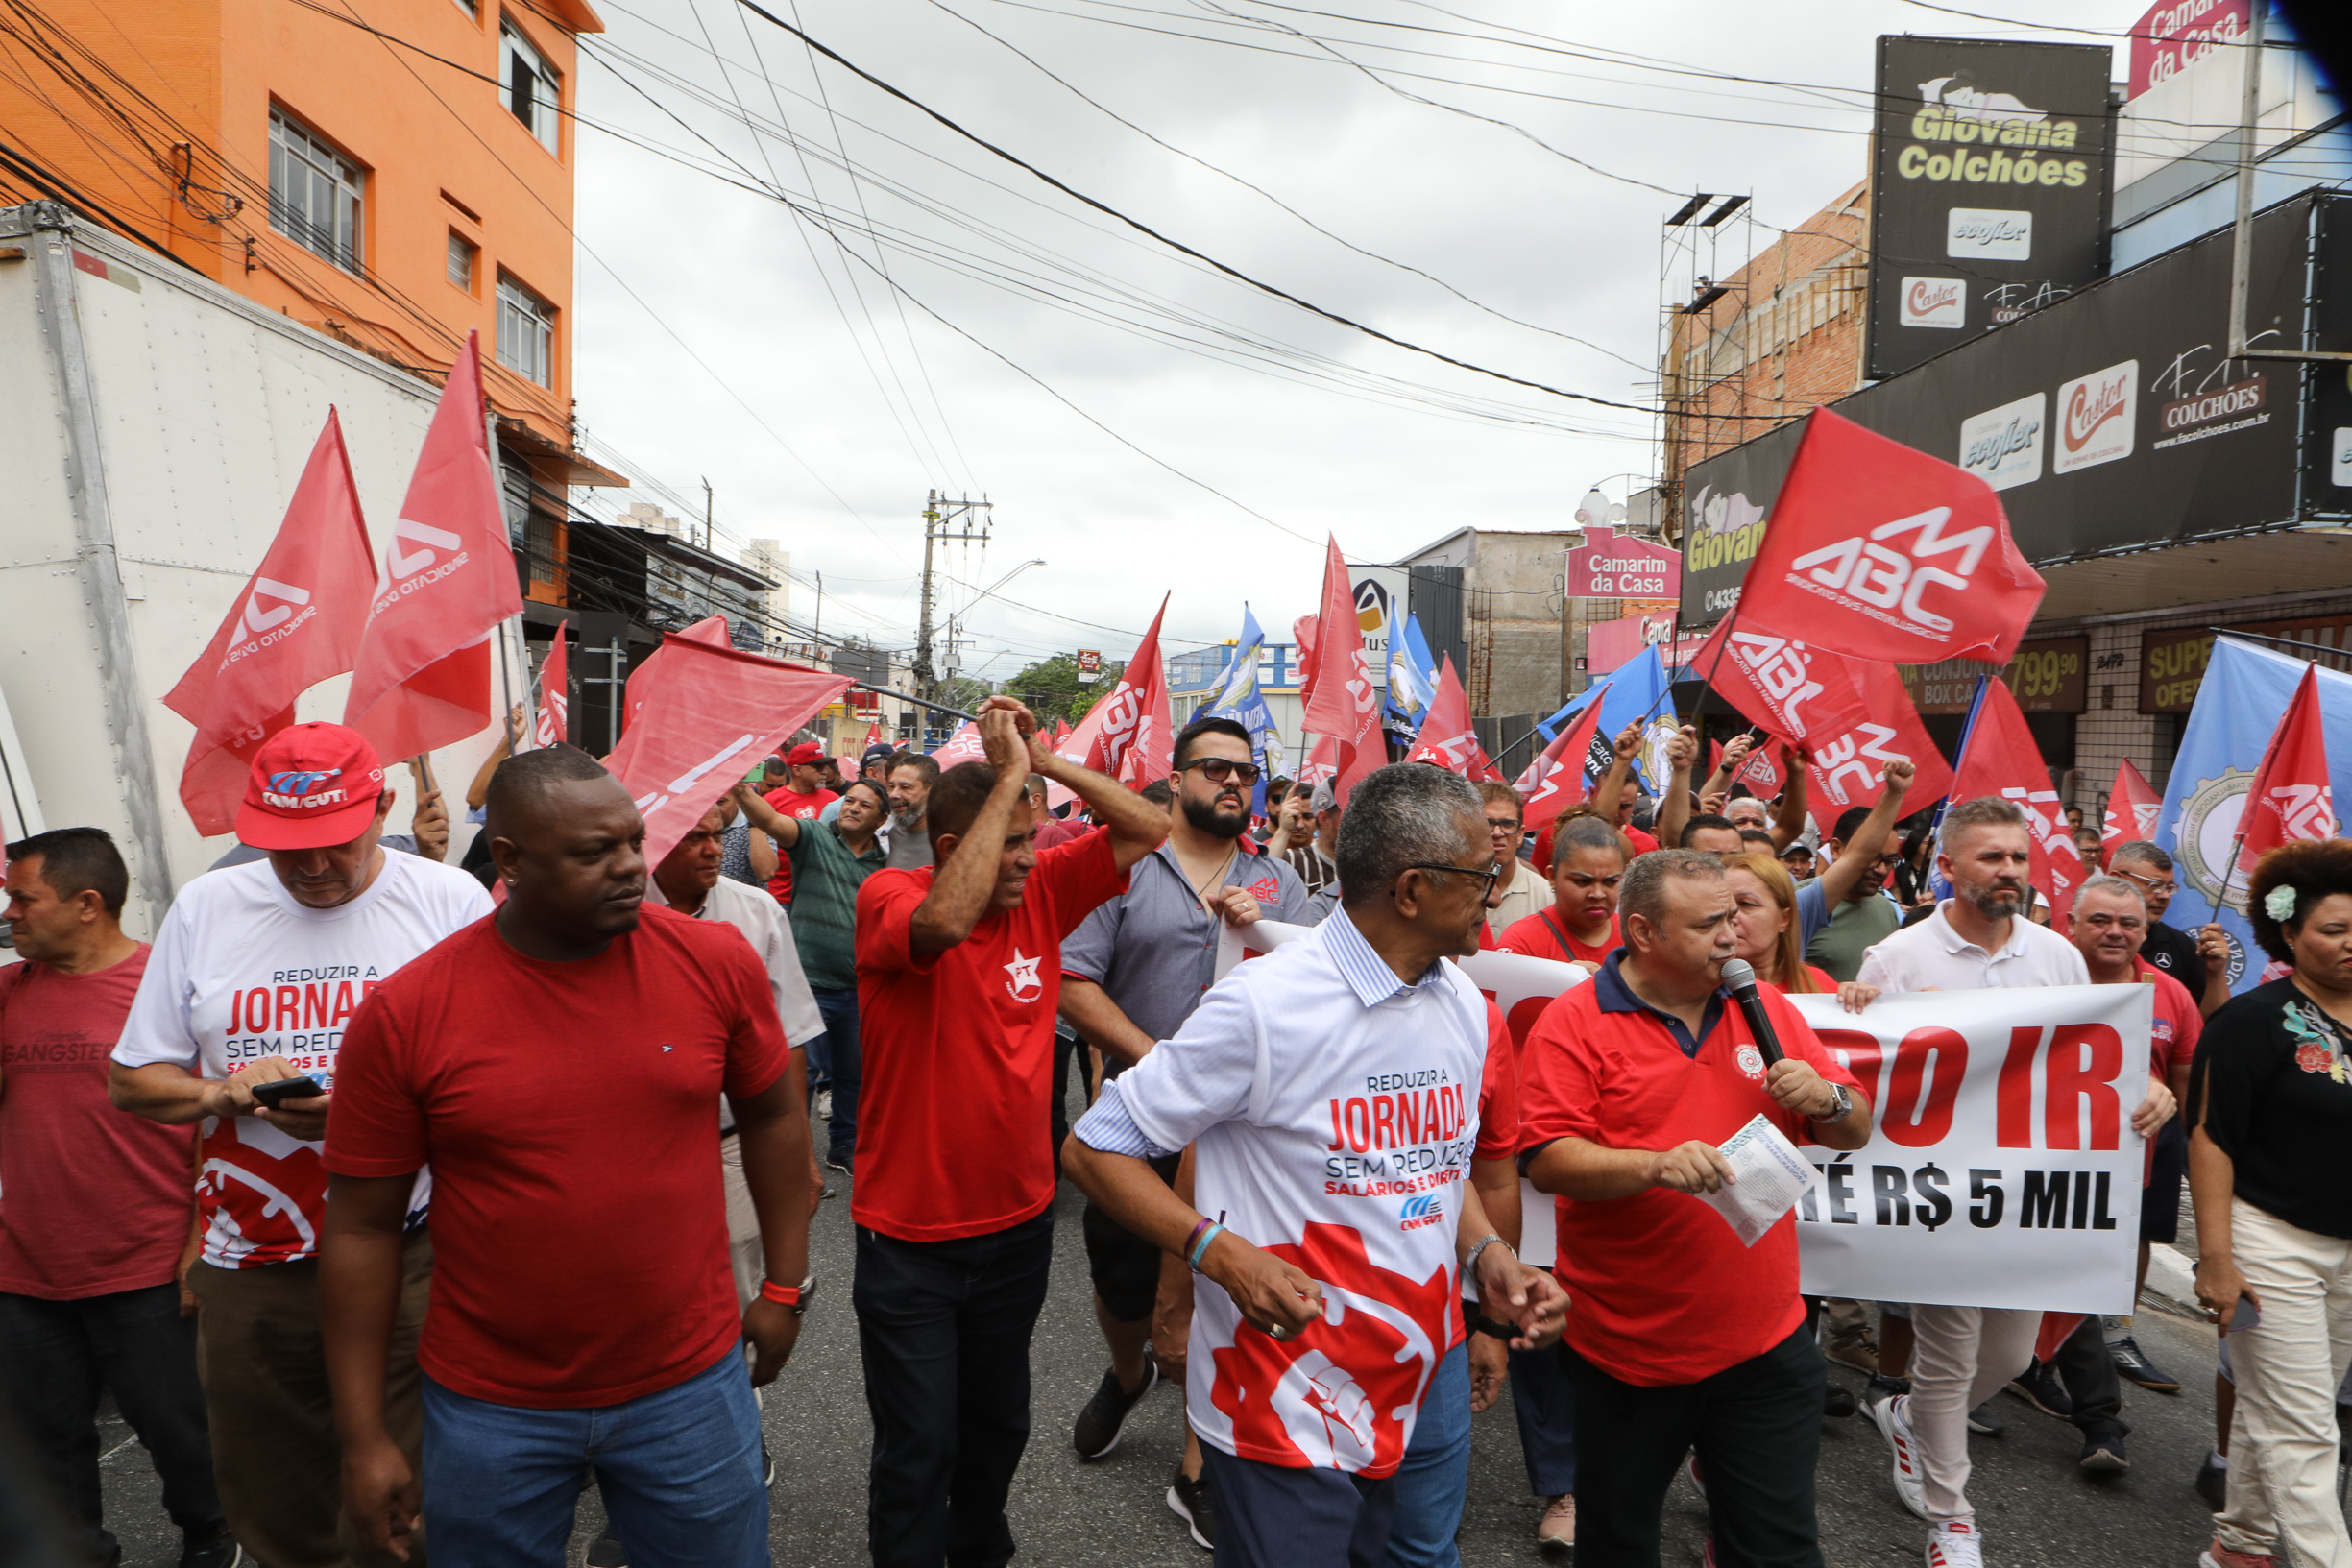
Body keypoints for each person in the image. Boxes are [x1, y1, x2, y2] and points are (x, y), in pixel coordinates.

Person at [320, 745, 815, 1568]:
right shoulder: (407, 1012)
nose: (630, 867)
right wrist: (365, 1435)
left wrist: (783, 1285)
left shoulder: (714, 961)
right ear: (508, 860)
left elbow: (771, 1115)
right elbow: (362, 1228)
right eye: (594, 852)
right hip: (489, 1404)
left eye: (631, 841)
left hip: (689, 1383)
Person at [1064, 762, 1565, 1567]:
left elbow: (1431, 1168)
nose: (1499, 886)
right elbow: (1094, 1146)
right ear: (1410, 889)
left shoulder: (1467, 1006)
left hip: (1423, 1371)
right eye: (1481, 874)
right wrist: (1217, 1257)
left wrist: (1488, 1254)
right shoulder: (1262, 1004)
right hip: (1284, 1387)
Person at [109, 724, 493, 1568]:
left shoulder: (451, 902)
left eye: (333, 844)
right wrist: (226, 1092)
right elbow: (133, 1078)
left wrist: (375, 1111)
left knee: (412, 1503)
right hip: (253, 1255)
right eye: (286, 850)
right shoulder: (207, 908)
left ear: (382, 807)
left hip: (415, 1244)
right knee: (275, 1498)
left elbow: (505, 1080)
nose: (312, 867)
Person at [852, 698, 1168, 1568]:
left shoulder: (1042, 892)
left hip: (1017, 1230)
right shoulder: (894, 894)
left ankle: (980, 1551)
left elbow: (1150, 824)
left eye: (1037, 840)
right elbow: (944, 924)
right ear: (957, 849)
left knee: (997, 1429)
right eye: (1016, 841)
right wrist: (1011, 784)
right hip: (909, 1241)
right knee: (919, 1449)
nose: (1034, 858)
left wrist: (1045, 760)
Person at [1519, 849, 1873, 1567]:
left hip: (1765, 1344)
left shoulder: (1765, 1006)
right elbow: (1547, 1157)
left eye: (1735, 914)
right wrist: (1653, 1164)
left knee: (1778, 1549)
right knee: (1617, 1544)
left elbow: (1855, 1126)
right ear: (1643, 931)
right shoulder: (1576, 1019)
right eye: (1708, 922)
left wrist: (1829, 1099)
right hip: (1626, 1351)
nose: (1731, 935)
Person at [1056, 716, 1313, 1549]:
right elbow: (1070, 978)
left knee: (1221, 1287)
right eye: (1214, 769)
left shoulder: (1279, 883)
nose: (1234, 784)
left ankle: (1200, 1463)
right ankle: (1128, 1371)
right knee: (1125, 1281)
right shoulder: (1124, 870)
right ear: (1175, 780)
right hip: (1143, 1118)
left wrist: (1265, 936)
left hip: (1249, 1135)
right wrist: (1157, 1057)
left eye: (1247, 773)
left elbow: (1327, 978)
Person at [1855, 798, 2107, 1568]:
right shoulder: (1894, 957)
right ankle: (1950, 1518)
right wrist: (1854, 1011)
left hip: (2021, 1198)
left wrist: (2141, 1093)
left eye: (2018, 858)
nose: (2008, 871)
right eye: (1990, 857)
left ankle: (1906, 1416)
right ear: (1949, 866)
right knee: (1948, 1353)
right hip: (1934, 1198)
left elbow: (2083, 1063)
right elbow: (1860, 1068)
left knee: (2007, 1355)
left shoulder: (2057, 956)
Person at [0, 830, 236, 1568]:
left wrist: (201, 1239)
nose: (9, 913)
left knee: (179, 1428)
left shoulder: (164, 990)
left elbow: (213, 1121)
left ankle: (210, 1536)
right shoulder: (8, 991)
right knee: (48, 1439)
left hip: (144, 1260)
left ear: (86, 903)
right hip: (25, 1267)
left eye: (22, 898)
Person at [2189, 836, 2352, 1568]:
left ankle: (2240, 1546)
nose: (2351, 944)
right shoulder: (2250, 1021)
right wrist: (2216, 1259)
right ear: (2288, 932)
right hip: (2268, 1242)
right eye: (2333, 929)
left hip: (2346, 1252)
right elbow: (2210, 1137)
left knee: (2277, 1408)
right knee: (2305, 1427)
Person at [2023, 874, 2190, 1472]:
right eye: (2099, 921)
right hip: (2017, 1161)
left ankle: (2096, 1419)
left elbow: (2182, 1079)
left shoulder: (2169, 994)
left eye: (2129, 923)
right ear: (2069, 923)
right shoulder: (2032, 974)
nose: (2115, 932)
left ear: (2147, 931)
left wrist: (2163, 1095)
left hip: (2109, 1174)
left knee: (2078, 1286)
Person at [737, 778, 890, 1174]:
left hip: (858, 989)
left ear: (883, 818)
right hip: (808, 986)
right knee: (799, 1077)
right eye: (849, 800)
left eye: (865, 805)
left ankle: (844, 1146)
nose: (853, 807)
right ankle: (794, 1157)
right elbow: (770, 819)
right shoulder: (814, 836)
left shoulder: (885, 866)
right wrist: (739, 791)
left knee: (853, 1075)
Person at [1794, 760, 1918, 984]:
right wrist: (1894, 793)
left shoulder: (1886, 908)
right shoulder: (1798, 903)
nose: (1881, 870)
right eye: (1871, 857)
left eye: (1890, 860)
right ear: (1836, 849)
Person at [2110, 841, 2232, 1017]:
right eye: (2154, 885)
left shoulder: (2180, 946)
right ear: (2118, 879)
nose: (2165, 896)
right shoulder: (2082, 941)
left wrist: (2215, 973)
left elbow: (2214, 1024)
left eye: (2169, 888)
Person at [1497, 811, 1624, 973]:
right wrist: (1558, 980)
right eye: (1582, 882)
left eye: (1610, 882)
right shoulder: (1522, 942)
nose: (1598, 894)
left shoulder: (1637, 938)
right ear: (1552, 877)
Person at [762, 741, 839, 909]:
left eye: (825, 766)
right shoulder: (771, 801)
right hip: (782, 897)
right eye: (818, 767)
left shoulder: (834, 801)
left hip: (822, 896)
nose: (824, 772)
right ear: (797, 770)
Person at [1477, 781, 1554, 943]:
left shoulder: (1546, 896)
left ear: (1520, 835)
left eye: (1507, 824)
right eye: (1488, 823)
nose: (1497, 833)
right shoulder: (1452, 892)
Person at [1281, 783, 1342, 898]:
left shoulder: (1360, 864)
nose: (1299, 825)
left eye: (1307, 817)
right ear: (1323, 818)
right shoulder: (1291, 859)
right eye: (1344, 815)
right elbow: (1261, 879)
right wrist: (1283, 830)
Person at [885, 751, 941, 870]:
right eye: (891, 787)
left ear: (932, 790)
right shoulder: (894, 835)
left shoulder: (949, 839)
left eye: (905, 787)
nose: (893, 795)